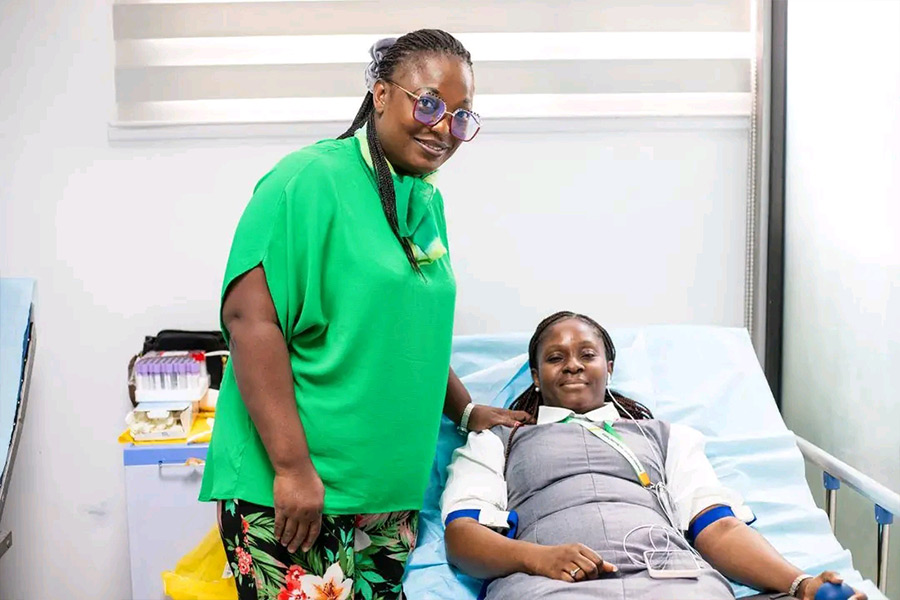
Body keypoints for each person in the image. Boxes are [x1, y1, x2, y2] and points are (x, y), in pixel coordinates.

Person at [199, 30, 530, 600]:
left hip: (387, 498)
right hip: (301, 492)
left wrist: (465, 409)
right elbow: (251, 323)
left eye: (460, 117)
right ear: (380, 94)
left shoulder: (423, 199)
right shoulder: (307, 180)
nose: (442, 127)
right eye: (428, 103)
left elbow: (408, 334)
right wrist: (293, 469)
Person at [441, 311, 867, 600]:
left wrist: (800, 585)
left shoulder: (667, 437)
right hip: (550, 584)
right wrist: (538, 559)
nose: (572, 365)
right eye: (556, 358)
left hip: (676, 580)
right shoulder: (500, 439)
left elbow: (717, 528)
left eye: (587, 355)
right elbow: (462, 538)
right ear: (536, 376)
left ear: (609, 367)